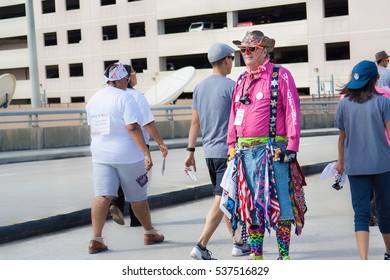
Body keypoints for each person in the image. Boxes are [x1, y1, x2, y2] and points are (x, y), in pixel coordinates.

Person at [224, 30, 306, 260]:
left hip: (273, 151)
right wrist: (231, 145)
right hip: (244, 153)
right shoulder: (240, 79)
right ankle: (256, 255)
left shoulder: (281, 75)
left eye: (252, 49)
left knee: (281, 202)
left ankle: (283, 256)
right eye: (243, 49)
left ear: (264, 50)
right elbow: (233, 114)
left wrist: (292, 145)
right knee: (250, 206)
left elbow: (292, 111)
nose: (246, 53)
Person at [86, 62, 164, 254]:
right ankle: (150, 233)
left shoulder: (94, 98)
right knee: (138, 196)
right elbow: (133, 127)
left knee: (103, 195)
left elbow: (94, 126)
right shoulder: (126, 97)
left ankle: (96, 239)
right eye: (127, 79)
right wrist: (146, 153)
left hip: (100, 154)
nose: (127, 82)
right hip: (128, 156)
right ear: (120, 79)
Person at [185, 43, 250, 260]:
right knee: (221, 199)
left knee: (223, 197)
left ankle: (238, 242)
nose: (233, 63)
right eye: (232, 58)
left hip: (209, 153)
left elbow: (195, 122)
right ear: (226, 60)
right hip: (228, 153)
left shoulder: (199, 87)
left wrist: (190, 151)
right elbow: (243, 120)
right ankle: (201, 245)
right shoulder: (232, 86)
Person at [335, 60, 390, 260]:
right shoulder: (384, 103)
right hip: (383, 165)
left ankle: (363, 260)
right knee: (385, 211)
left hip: (355, 167)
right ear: (375, 79)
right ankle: (389, 254)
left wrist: (341, 163)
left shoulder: (343, 104)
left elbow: (342, 138)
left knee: (361, 214)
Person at [109, 64, 168, 227]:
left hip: (117, 145)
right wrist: (160, 143)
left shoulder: (112, 95)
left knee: (121, 179)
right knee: (139, 183)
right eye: (134, 74)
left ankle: (117, 204)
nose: (136, 77)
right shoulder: (135, 96)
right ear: (126, 77)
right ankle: (137, 220)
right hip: (138, 144)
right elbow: (147, 122)